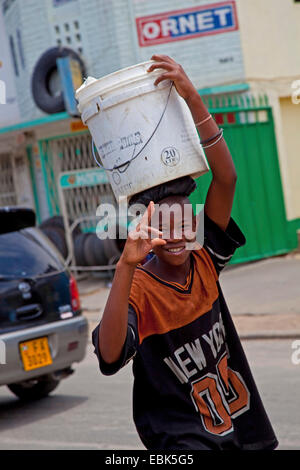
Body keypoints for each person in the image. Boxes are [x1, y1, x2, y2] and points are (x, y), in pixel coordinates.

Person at [92, 55, 278, 450]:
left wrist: (191, 95)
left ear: (195, 223)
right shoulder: (139, 288)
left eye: (183, 222)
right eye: (161, 224)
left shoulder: (206, 259)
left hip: (236, 434)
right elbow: (109, 357)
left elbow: (226, 176)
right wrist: (126, 266)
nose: (175, 235)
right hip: (179, 444)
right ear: (145, 230)